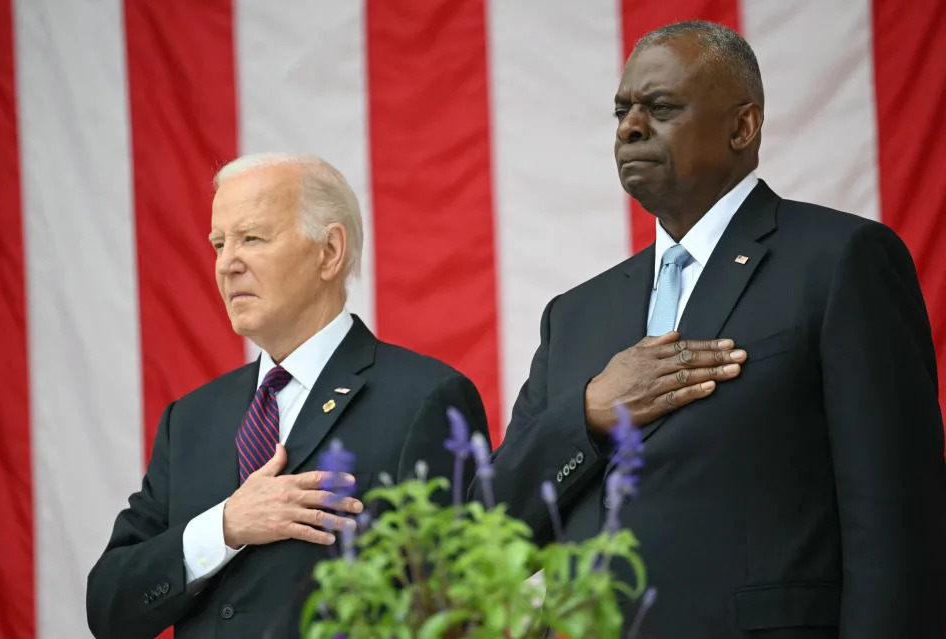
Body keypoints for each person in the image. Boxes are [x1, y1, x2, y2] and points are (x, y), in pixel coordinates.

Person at [486, 20, 946, 638]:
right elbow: (494, 527)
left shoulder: (840, 261)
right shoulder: (575, 314)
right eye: (622, 110)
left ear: (743, 126)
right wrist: (592, 412)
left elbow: (897, 522)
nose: (630, 126)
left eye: (661, 107)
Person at [86, 153, 489, 639]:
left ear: (329, 252)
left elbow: (458, 610)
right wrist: (226, 526)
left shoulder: (426, 399)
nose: (226, 264)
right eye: (218, 244)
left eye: (252, 238)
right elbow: (109, 608)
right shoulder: (189, 420)